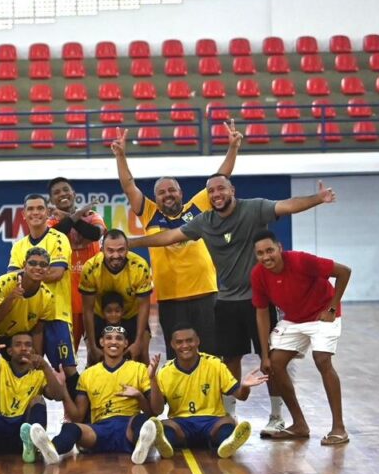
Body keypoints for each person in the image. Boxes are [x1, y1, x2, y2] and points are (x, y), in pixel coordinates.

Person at [129, 176, 338, 432]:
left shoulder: (253, 208)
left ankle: (276, 415)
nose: (216, 194)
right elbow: (169, 237)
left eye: (221, 188)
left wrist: (318, 199)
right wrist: (130, 242)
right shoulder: (204, 221)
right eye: (211, 191)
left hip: (258, 301)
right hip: (226, 301)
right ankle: (228, 415)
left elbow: (287, 205)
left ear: (232, 190)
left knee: (269, 359)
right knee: (229, 359)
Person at [111, 122, 243, 359]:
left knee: (211, 354)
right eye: (161, 192)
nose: (167, 195)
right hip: (170, 299)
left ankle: (216, 396)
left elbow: (222, 175)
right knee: (178, 357)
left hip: (206, 293)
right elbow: (128, 185)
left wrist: (233, 147)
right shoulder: (149, 213)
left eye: (171, 190)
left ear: (181, 193)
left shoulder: (199, 206)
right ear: (155, 197)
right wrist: (121, 156)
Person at [251, 230, 351, 445]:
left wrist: (332, 308)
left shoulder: (300, 260)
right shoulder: (258, 274)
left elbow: (344, 271)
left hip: (322, 314)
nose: (266, 256)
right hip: (295, 320)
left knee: (322, 359)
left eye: (270, 250)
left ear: (279, 248)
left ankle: (339, 428)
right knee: (275, 364)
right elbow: (261, 313)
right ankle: (299, 424)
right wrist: (264, 355)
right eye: (260, 253)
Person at [29, 325, 170, 466]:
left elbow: (156, 411)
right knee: (71, 428)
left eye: (119, 339)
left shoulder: (139, 369)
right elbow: (77, 416)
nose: (113, 342)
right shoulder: (88, 375)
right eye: (109, 338)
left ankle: (142, 446)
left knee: (143, 420)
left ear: (126, 343)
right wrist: (64, 389)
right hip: (100, 429)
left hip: (128, 426)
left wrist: (145, 388)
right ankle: (52, 450)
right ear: (102, 342)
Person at [149, 325, 267, 459]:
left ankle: (227, 443)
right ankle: (166, 445)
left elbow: (241, 396)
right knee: (163, 426)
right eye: (179, 342)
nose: (185, 345)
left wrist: (245, 386)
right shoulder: (165, 371)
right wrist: (153, 379)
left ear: (198, 341)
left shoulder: (215, 364)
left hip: (212, 423)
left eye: (189, 340)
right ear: (172, 344)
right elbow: (157, 410)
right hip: (181, 424)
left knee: (228, 422)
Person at [7, 194, 77, 393]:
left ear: (47, 212)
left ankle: (76, 420)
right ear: (24, 214)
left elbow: (56, 273)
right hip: (28, 318)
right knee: (28, 369)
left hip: (56, 315)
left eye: (40, 208)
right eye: (31, 209)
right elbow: (12, 279)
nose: (35, 212)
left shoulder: (58, 239)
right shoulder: (19, 246)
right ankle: (31, 417)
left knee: (67, 370)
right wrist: (33, 275)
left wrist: (27, 274)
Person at [0, 335, 63, 461]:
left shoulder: (40, 374)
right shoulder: (1, 366)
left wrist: (46, 367)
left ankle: (32, 446)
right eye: (18, 345)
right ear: (9, 351)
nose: (23, 348)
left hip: (23, 431)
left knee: (38, 400)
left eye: (28, 345)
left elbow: (58, 396)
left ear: (33, 351)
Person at [47, 177, 107, 349]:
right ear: (51, 200)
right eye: (56, 192)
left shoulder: (93, 216)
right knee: (67, 357)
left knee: (98, 352)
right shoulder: (50, 222)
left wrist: (71, 216)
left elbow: (95, 233)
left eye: (66, 190)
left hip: (94, 298)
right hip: (66, 302)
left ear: (73, 194)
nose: (62, 194)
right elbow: (56, 234)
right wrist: (76, 215)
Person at [80, 229, 153, 365]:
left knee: (142, 354)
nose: (116, 255)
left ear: (127, 249)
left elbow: (144, 306)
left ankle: (146, 386)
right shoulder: (90, 268)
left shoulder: (140, 266)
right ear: (102, 250)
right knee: (93, 357)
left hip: (131, 315)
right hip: (100, 316)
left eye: (121, 250)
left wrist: (138, 342)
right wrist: (92, 346)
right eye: (110, 251)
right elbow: (88, 310)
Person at [0, 248, 57, 345]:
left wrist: (36, 357)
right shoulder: (6, 281)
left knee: (28, 358)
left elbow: (37, 332)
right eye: (32, 263)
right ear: (24, 265)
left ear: (48, 269)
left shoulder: (48, 297)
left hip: (11, 340)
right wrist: (10, 298)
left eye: (43, 265)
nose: (38, 267)